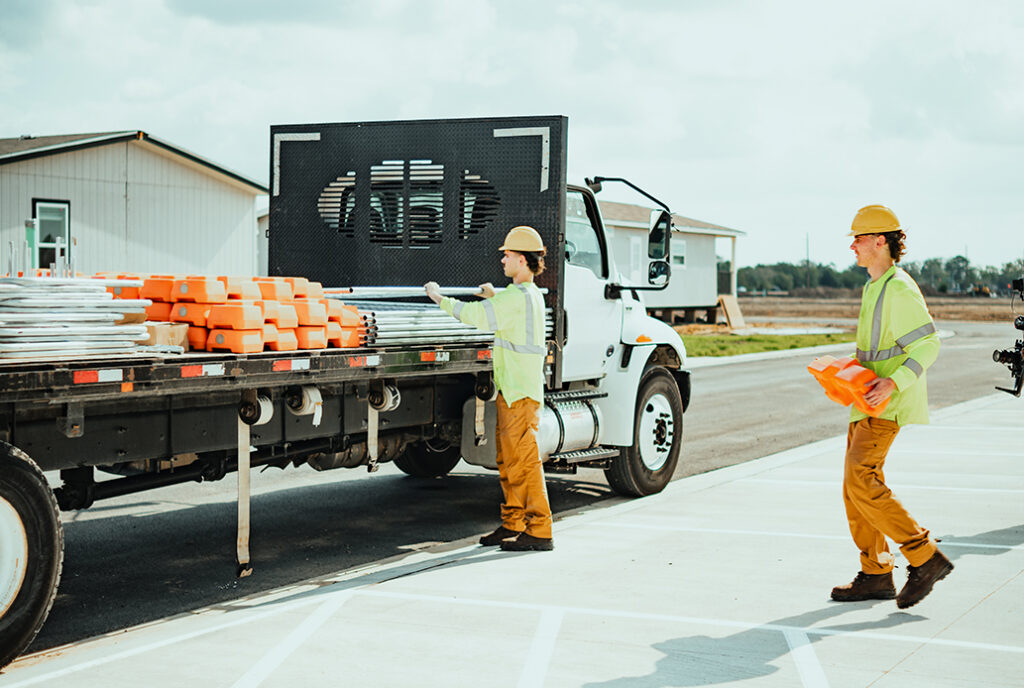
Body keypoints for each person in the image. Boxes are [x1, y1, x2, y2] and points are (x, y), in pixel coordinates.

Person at [830, 204, 952, 608]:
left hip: (886, 404)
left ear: (880, 241)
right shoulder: (874, 286)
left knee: (862, 480)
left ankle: (924, 556)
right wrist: (846, 375)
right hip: (864, 401)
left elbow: (928, 344)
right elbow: (877, 352)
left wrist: (893, 382)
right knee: (855, 489)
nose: (853, 246)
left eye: (859, 239)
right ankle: (876, 574)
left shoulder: (898, 287)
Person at [424, 225, 553, 552]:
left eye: (507, 255)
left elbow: (475, 316)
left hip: (520, 395)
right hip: (514, 392)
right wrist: (493, 294)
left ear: (523, 261)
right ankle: (513, 524)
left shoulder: (516, 298)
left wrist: (439, 298)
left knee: (524, 463)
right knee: (509, 461)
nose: (503, 260)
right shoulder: (529, 294)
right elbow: (506, 312)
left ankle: (539, 530)